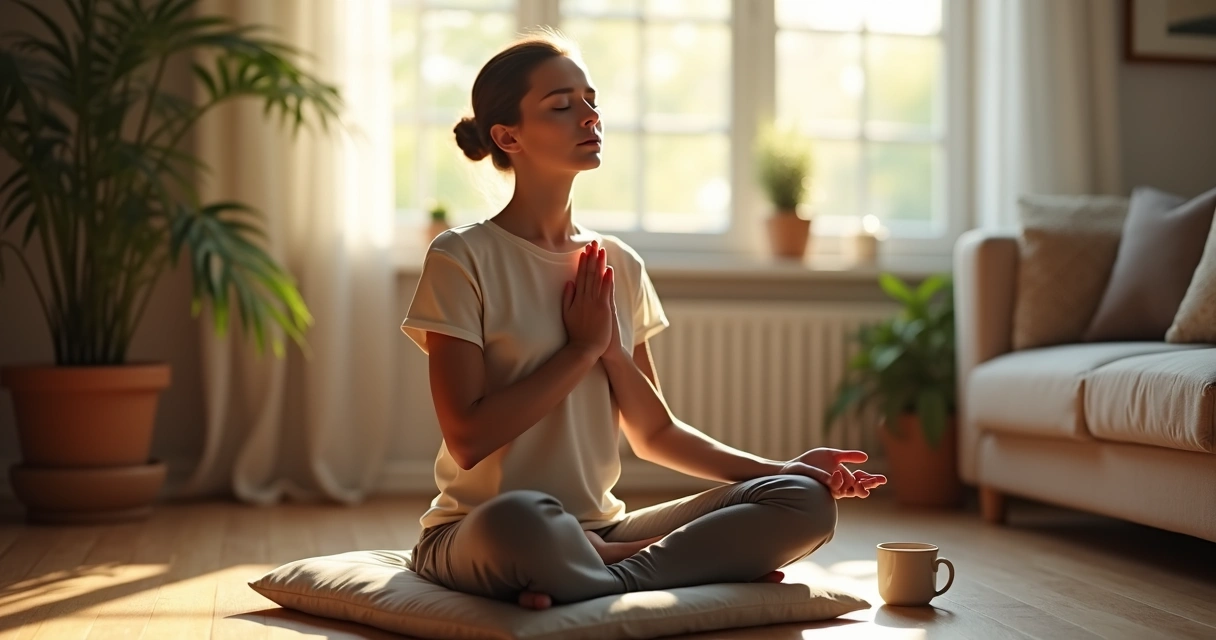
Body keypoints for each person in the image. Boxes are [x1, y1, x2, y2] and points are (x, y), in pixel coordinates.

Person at [400, 30, 886, 611]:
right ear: (509, 136)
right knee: (524, 519)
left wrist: (785, 466)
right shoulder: (462, 256)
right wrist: (581, 350)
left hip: (606, 530)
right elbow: (469, 438)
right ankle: (641, 569)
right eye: (562, 106)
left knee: (802, 499)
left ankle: (599, 575)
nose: (589, 115)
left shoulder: (619, 265)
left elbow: (654, 434)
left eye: (590, 100)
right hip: (480, 529)